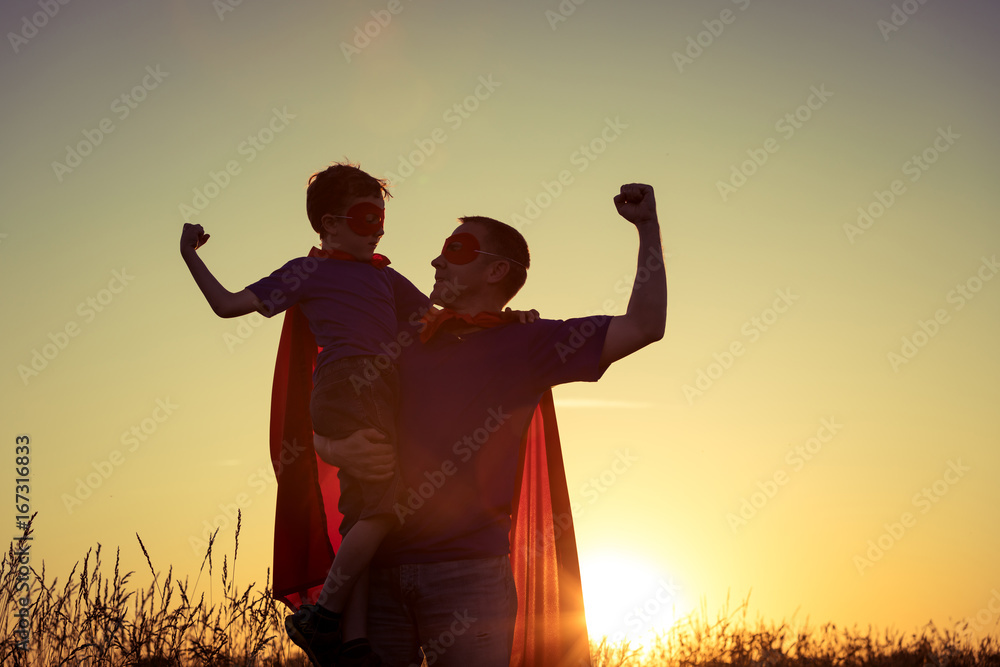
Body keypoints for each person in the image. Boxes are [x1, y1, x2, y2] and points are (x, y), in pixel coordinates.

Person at [310, 183, 666, 666]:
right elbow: (329, 402)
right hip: (372, 573)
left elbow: (644, 326)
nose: (436, 262)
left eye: (456, 251)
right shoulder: (394, 334)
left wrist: (647, 228)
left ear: (497, 270)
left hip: (470, 578)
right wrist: (332, 447)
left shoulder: (531, 343)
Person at [179, 162, 430, 667]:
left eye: (381, 220)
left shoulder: (386, 277)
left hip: (381, 390)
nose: (377, 230)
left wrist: (506, 320)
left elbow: (440, 324)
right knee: (386, 507)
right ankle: (322, 616)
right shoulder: (308, 270)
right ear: (329, 224)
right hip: (350, 385)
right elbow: (227, 305)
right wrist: (189, 255)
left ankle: (354, 643)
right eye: (366, 219)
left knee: (362, 515)